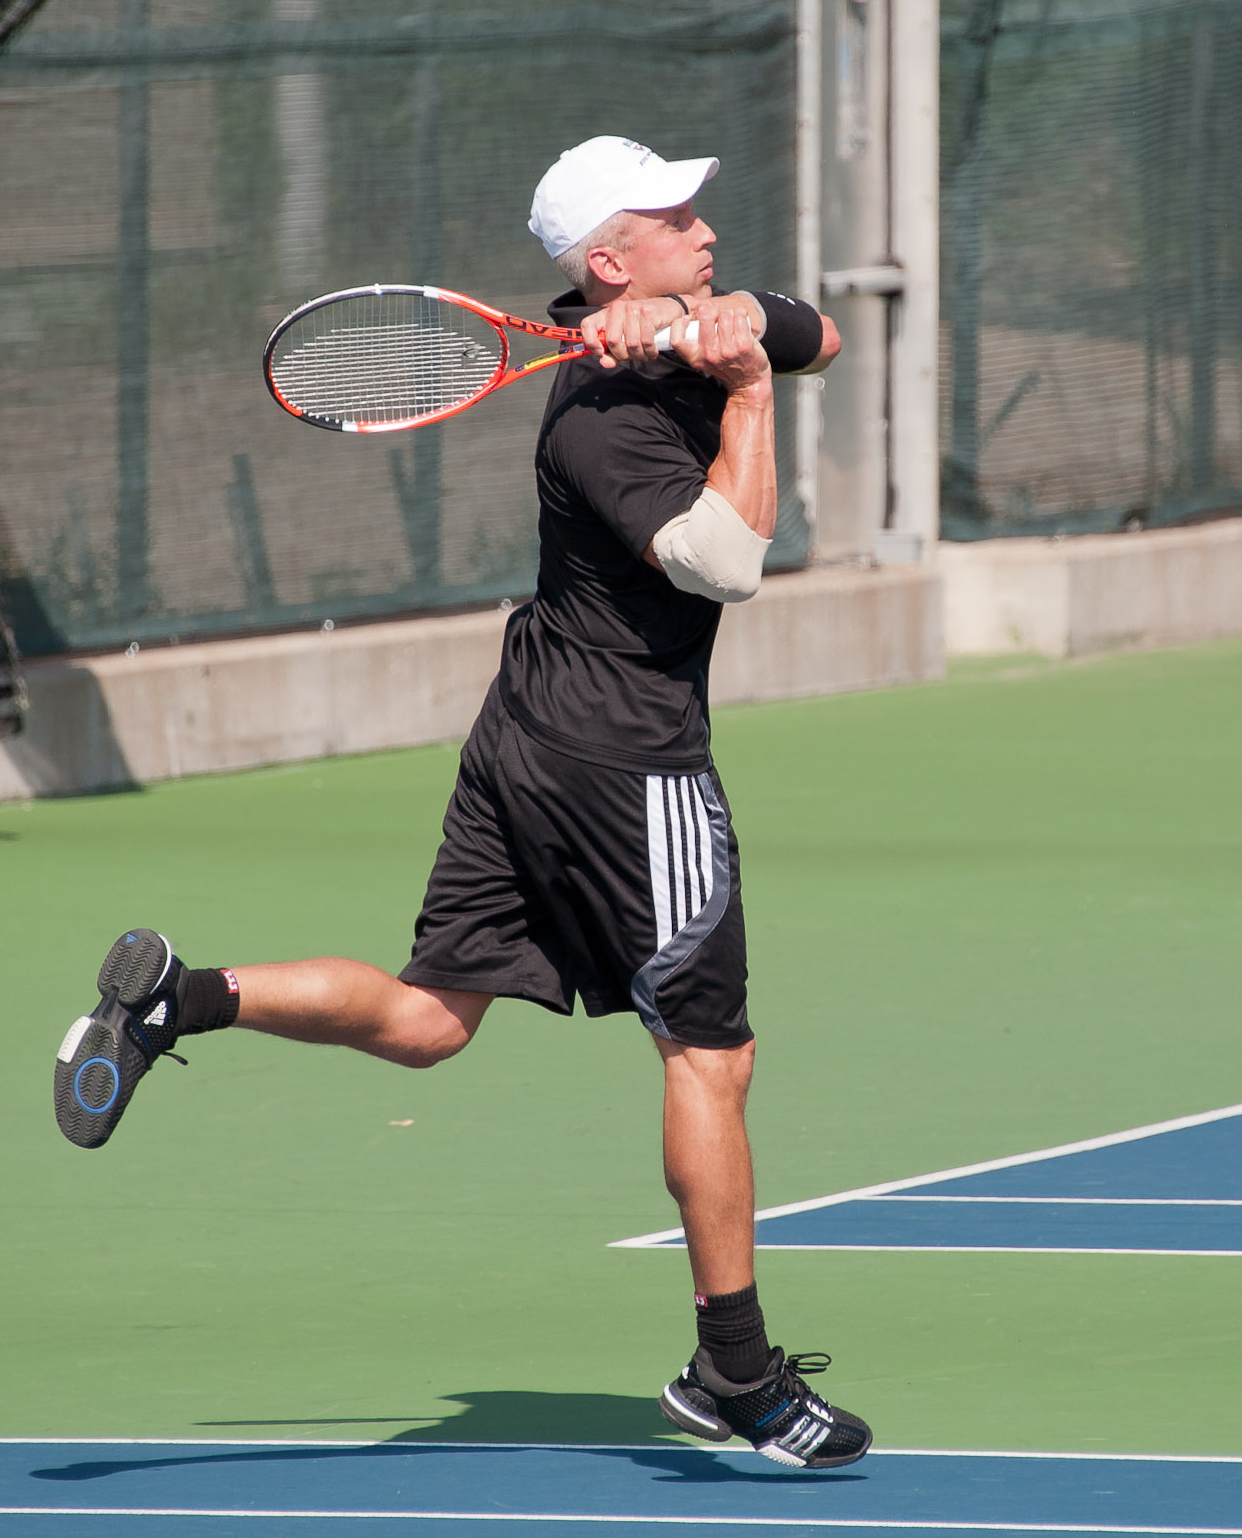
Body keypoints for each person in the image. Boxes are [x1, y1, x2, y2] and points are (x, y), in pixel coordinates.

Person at [52, 134, 870, 1468]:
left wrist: (721, 325)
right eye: (675, 217)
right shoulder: (601, 423)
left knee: (433, 1022)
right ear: (609, 257)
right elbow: (726, 564)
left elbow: (820, 330)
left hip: (523, 731)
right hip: (627, 758)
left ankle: (174, 1001)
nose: (706, 226)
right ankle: (740, 1377)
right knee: (710, 1058)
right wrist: (747, 394)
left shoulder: (645, 325)